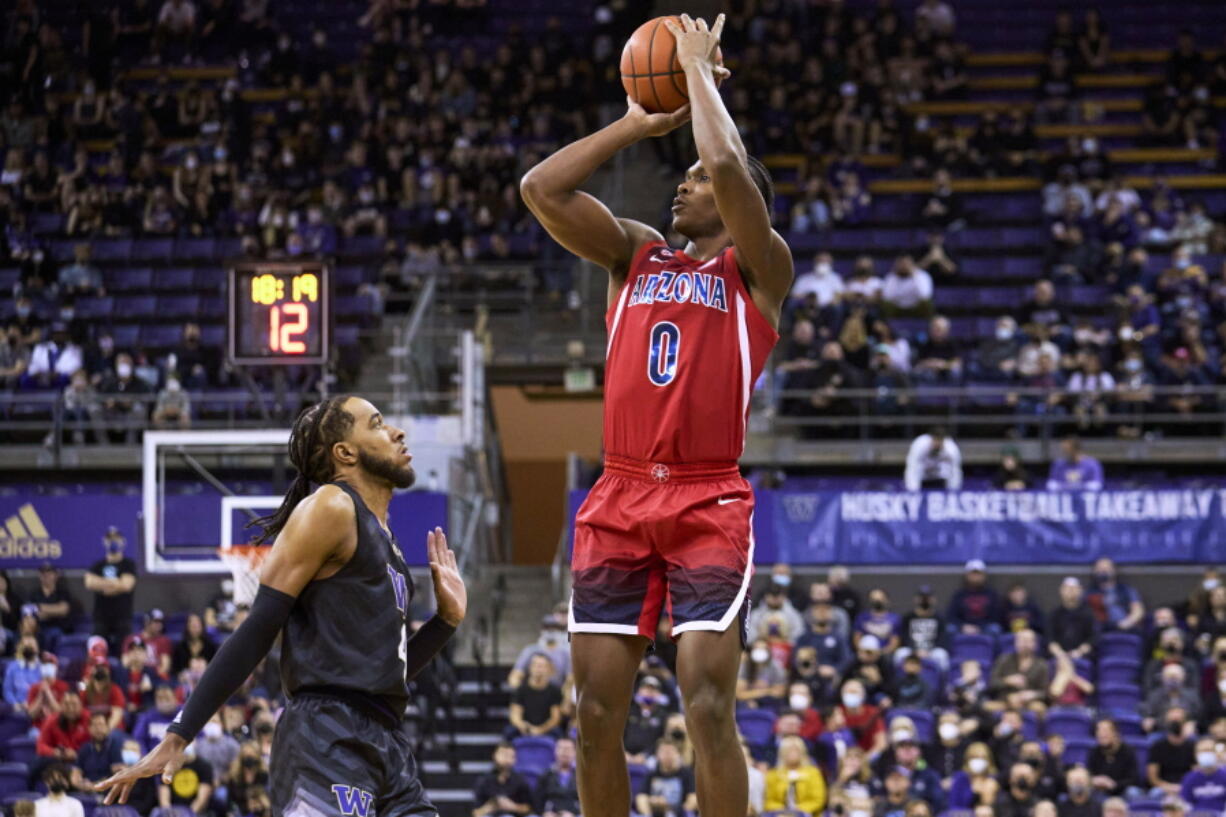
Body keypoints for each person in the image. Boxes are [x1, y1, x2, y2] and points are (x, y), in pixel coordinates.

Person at [521, 15, 794, 817]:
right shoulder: (634, 252)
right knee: (594, 714)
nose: (685, 181)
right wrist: (635, 122)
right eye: (683, 176)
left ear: (744, 203)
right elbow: (541, 189)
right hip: (620, 494)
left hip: (707, 500)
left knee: (707, 704)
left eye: (700, 181)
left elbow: (724, 159)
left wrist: (700, 74)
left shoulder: (761, 268)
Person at [96, 395, 467, 817]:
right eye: (378, 424)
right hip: (325, 734)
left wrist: (445, 623)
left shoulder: (388, 542)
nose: (397, 432)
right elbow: (259, 627)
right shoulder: (332, 506)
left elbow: (384, 674)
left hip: (386, 739)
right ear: (345, 452)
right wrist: (180, 733)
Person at [83, 529, 137, 652]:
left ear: (123, 542)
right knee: (96, 652)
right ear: (104, 542)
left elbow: (126, 585)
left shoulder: (128, 564)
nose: (113, 542)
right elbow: (89, 583)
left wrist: (101, 584)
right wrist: (116, 583)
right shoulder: (98, 565)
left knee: (124, 652)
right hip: (101, 619)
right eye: (110, 539)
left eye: (116, 539)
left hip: (123, 618)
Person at [763, 735, 826, 813]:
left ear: (802, 752)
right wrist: (783, 810)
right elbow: (768, 801)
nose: (793, 753)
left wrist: (799, 810)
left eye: (796, 750)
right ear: (782, 753)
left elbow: (818, 800)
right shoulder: (773, 774)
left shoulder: (813, 773)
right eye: (789, 750)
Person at [507, 653, 563, 738]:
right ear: (530, 667)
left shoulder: (554, 690)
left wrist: (541, 730)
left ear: (549, 669)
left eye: (542, 666)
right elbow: (515, 714)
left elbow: (555, 718)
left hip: (546, 727)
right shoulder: (521, 690)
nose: (538, 669)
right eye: (535, 665)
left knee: (558, 733)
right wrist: (523, 726)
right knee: (509, 732)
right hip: (525, 727)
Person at [637, 740, 698, 817]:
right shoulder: (651, 774)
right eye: (664, 752)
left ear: (678, 754)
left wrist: (675, 810)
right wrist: (648, 812)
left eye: (670, 752)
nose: (667, 755)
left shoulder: (687, 773)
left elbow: (693, 798)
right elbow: (641, 797)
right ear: (657, 755)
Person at [507, 615, 570, 688]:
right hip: (533, 691)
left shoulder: (565, 653)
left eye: (554, 627)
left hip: (556, 693)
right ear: (542, 629)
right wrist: (521, 692)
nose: (550, 630)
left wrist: (565, 696)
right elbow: (516, 675)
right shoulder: (530, 650)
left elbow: (570, 679)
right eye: (547, 627)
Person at [473, 743, 533, 817]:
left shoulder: (520, 780)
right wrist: (489, 807)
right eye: (504, 755)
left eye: (510, 756)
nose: (506, 759)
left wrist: (513, 807)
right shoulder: (484, 781)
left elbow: (528, 808)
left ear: (515, 759)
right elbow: (476, 813)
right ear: (494, 756)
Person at [1086, 558, 1145, 633]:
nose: (1103, 571)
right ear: (1094, 571)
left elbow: (1138, 611)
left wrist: (1128, 622)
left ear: (1114, 570)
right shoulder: (1089, 592)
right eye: (1100, 568)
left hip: (1124, 627)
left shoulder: (1126, 590)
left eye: (1107, 568)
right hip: (1099, 630)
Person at [1148, 707, 1196, 798]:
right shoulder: (1157, 746)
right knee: (1155, 793)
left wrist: (1184, 787)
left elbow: (1196, 772)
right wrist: (1169, 787)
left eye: (1178, 721)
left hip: (1186, 785)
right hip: (1163, 786)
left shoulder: (1192, 746)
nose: (1175, 724)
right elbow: (1153, 777)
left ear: (1184, 723)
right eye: (1172, 721)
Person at [1087, 719, 1140, 798]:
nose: (1101, 733)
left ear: (1115, 733)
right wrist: (1095, 780)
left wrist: (1114, 784)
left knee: (1133, 792)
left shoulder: (1127, 751)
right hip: (1101, 790)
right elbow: (1089, 773)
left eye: (1105, 730)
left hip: (1122, 789)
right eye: (1098, 730)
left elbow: (1134, 779)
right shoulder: (1094, 752)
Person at [1049, 578, 1097, 660]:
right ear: (1061, 591)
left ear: (1080, 591)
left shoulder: (1089, 614)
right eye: (1067, 588)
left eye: (1074, 588)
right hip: (1058, 657)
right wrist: (1061, 654)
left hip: (1083, 657)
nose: (1071, 591)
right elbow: (1050, 639)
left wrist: (1079, 652)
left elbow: (1093, 638)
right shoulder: (1054, 614)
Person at [948, 561, 1000, 634]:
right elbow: (951, 616)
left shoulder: (991, 594)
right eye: (973, 574)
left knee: (995, 629)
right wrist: (963, 626)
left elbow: (996, 617)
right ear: (966, 575)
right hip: (963, 627)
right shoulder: (959, 594)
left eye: (978, 574)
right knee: (950, 629)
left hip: (985, 627)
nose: (975, 577)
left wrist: (980, 627)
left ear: (984, 575)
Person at [534, 736, 580, 817]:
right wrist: (544, 813)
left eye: (568, 749)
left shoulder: (581, 777)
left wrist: (574, 814)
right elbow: (538, 801)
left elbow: (588, 803)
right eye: (561, 748)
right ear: (555, 751)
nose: (564, 752)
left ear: (575, 752)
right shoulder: (546, 775)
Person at [1179, 737, 1226, 810]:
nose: (1206, 753)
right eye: (1202, 751)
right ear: (1196, 755)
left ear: (1217, 753)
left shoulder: (1224, 775)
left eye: (1209, 750)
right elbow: (1185, 803)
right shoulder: (1189, 778)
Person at [4, 635, 42, 710]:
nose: (28, 650)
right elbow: (7, 690)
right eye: (26, 647)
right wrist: (15, 703)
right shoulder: (12, 667)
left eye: (31, 647)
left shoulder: (43, 668)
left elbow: (45, 690)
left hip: (37, 708)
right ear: (21, 649)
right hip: (16, 707)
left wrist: (33, 705)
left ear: (37, 649)